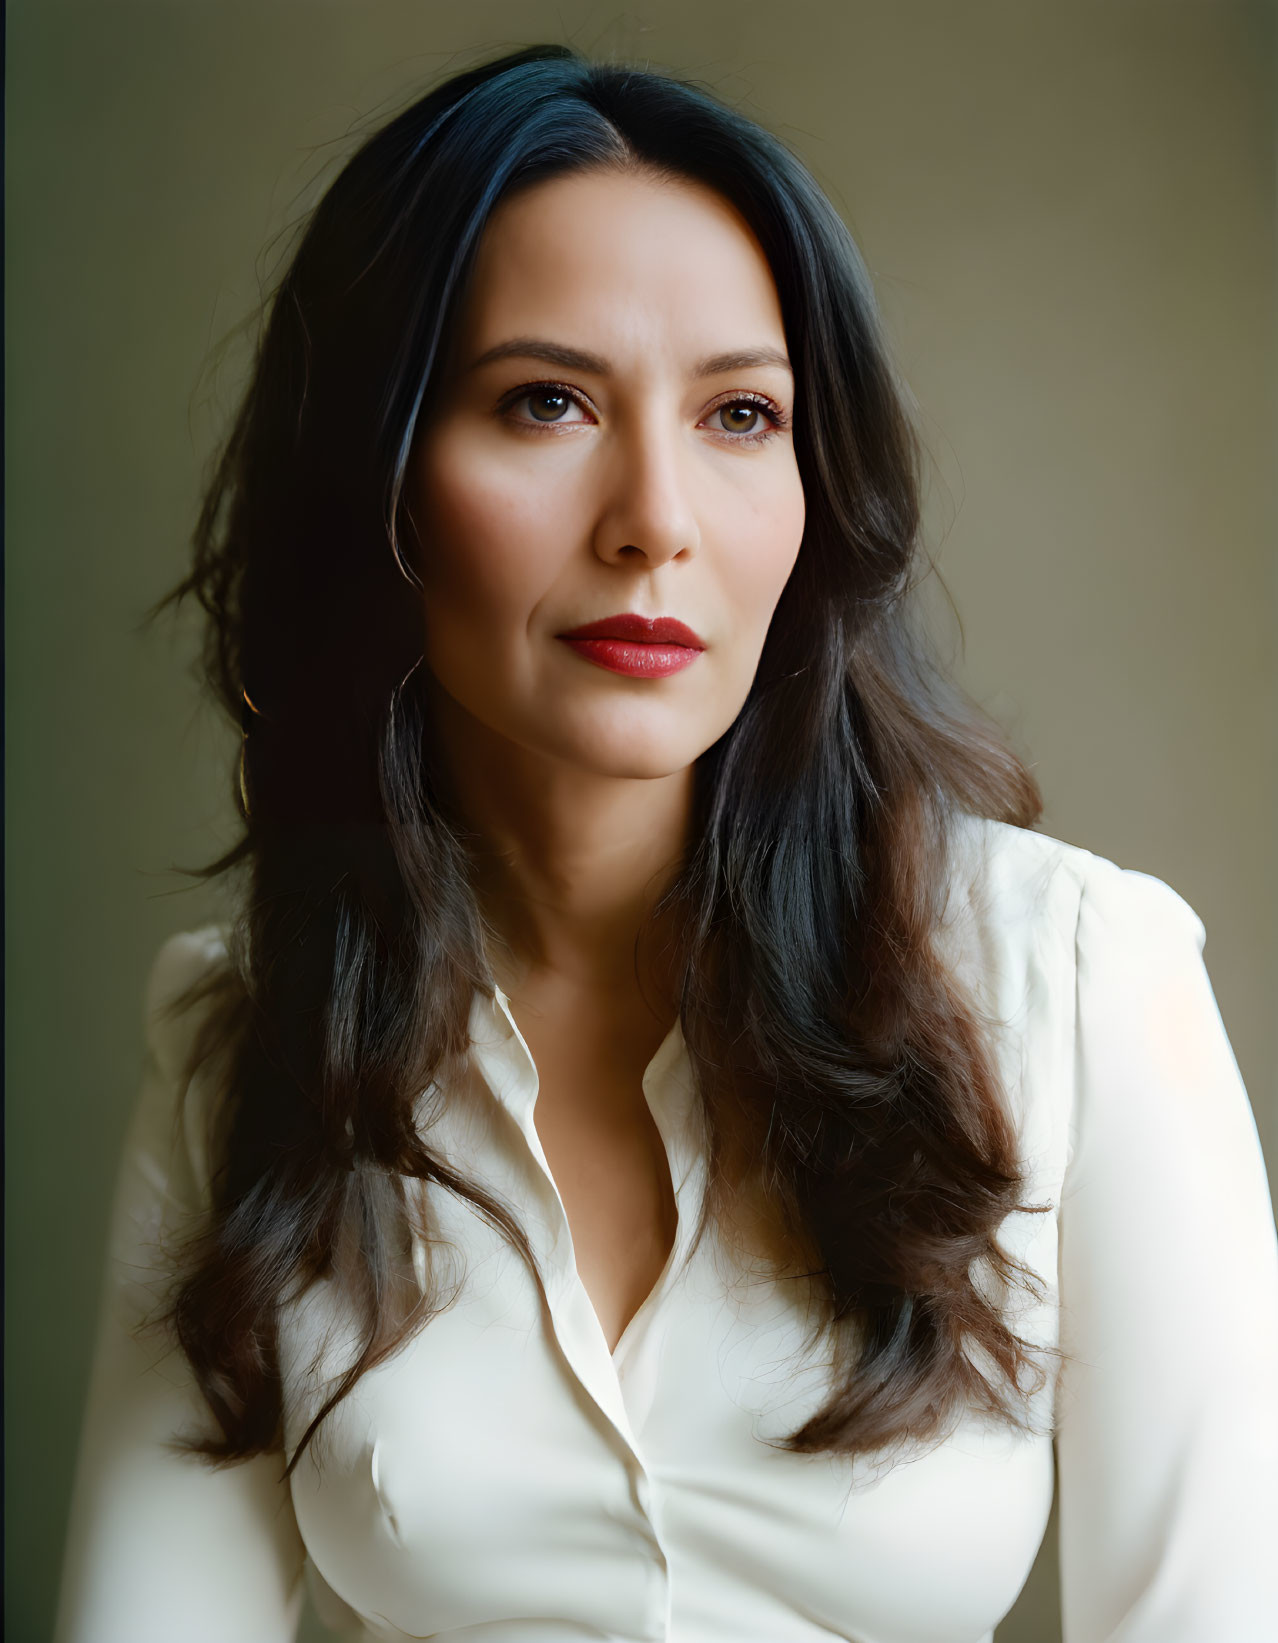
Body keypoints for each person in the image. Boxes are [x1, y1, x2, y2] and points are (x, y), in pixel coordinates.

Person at [54, 42, 1278, 1643]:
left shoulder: (1075, 980)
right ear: (381, 483)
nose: (656, 517)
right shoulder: (244, 1035)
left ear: (813, 490)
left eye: (740, 413)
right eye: (543, 401)